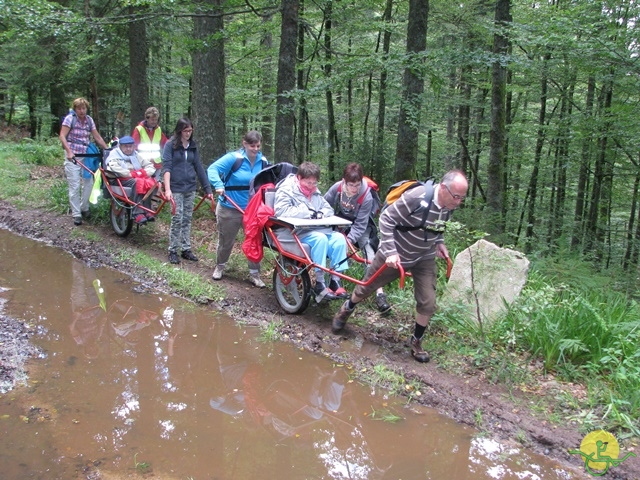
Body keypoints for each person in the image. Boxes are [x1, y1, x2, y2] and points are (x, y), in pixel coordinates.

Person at [331, 169, 469, 363]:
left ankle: (417, 341)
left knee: (428, 301)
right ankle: (347, 308)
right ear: (444, 188)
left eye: (462, 198)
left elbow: (438, 225)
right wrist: (391, 251)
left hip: (424, 257)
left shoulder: (449, 204)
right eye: (456, 196)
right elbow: (386, 219)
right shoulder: (418, 197)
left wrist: (440, 243)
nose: (458, 202)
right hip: (396, 254)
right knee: (366, 287)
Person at [273, 162, 349, 302]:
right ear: (299, 178)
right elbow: (281, 211)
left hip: (316, 228)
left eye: (314, 183)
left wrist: (319, 213)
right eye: (308, 182)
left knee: (339, 238)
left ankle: (335, 280)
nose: (312, 186)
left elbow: (328, 209)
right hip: (295, 231)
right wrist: (306, 212)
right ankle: (320, 283)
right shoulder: (286, 190)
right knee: (320, 239)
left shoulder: (315, 192)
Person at [324, 163, 391, 313]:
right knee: (332, 245)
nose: (354, 189)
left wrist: (348, 241)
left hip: (362, 225)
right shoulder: (337, 188)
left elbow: (360, 225)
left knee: (370, 254)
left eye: (357, 185)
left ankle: (380, 294)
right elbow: (324, 204)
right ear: (344, 182)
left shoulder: (366, 195)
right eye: (351, 185)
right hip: (341, 221)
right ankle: (333, 281)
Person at [207, 130, 268, 288]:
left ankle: (255, 273)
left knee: (254, 241)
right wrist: (219, 185)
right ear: (244, 144)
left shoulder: (263, 161)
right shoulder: (233, 159)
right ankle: (220, 266)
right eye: (252, 146)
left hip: (252, 210)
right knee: (226, 241)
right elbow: (212, 169)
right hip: (230, 208)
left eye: (257, 146)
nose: (255, 149)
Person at [162, 118, 213, 265]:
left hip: (190, 187)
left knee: (187, 218)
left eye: (190, 131)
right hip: (175, 187)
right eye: (185, 131)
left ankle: (186, 248)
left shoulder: (193, 146)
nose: (188, 134)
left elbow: (198, 167)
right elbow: (167, 167)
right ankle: (173, 250)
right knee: (177, 218)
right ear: (179, 131)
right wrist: (167, 189)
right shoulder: (170, 145)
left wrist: (207, 189)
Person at [59, 97, 109, 226]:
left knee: (89, 182)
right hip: (73, 155)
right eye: (79, 108)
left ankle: (84, 207)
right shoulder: (70, 119)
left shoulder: (89, 120)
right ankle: (76, 214)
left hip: (86, 155)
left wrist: (107, 149)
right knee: (74, 185)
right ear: (75, 109)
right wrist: (69, 151)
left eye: (84, 108)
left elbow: (96, 136)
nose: (82, 111)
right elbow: (62, 136)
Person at [104, 136, 156, 225]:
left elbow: (149, 165)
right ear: (120, 146)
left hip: (135, 177)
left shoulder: (136, 155)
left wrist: (143, 173)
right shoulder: (114, 155)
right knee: (138, 182)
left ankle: (147, 209)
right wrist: (130, 174)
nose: (129, 149)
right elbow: (114, 168)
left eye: (130, 146)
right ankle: (137, 213)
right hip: (119, 179)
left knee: (149, 182)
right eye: (126, 146)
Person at [131, 106, 168, 179]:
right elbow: (133, 148)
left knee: (156, 186)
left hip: (156, 164)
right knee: (146, 187)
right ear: (147, 119)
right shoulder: (139, 129)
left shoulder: (158, 129)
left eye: (156, 120)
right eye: (152, 119)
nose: (154, 122)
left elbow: (166, 143)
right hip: (143, 165)